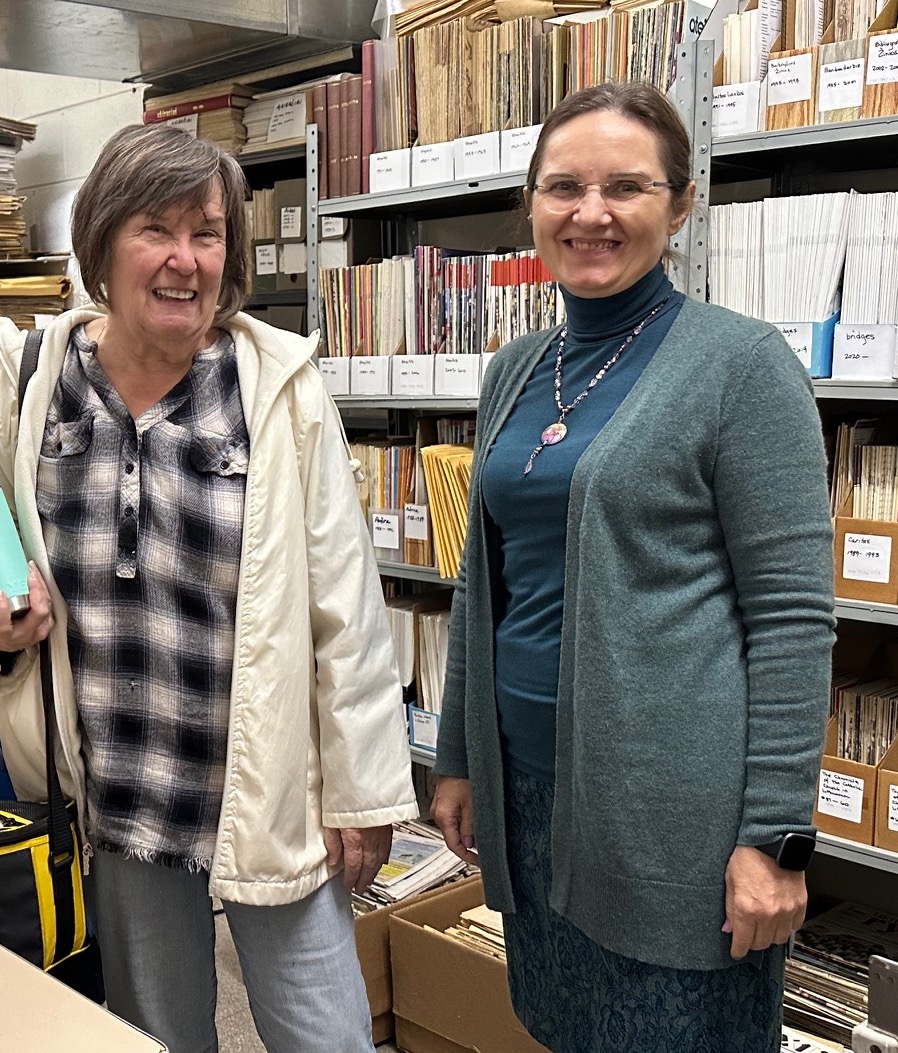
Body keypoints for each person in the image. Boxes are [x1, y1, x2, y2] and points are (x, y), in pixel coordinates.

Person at [431, 82, 835, 1053]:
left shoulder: (741, 366)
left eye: (626, 186)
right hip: (527, 789)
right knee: (561, 1023)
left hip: (670, 815)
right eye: (563, 187)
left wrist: (774, 839)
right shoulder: (514, 370)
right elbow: (481, 583)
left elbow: (790, 616)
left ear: (681, 203)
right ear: (530, 205)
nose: (591, 213)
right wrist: (456, 756)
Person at [0, 122, 418, 1053]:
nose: (186, 260)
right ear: (102, 240)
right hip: (121, 790)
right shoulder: (35, 379)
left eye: (209, 233)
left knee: (329, 1038)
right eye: (157, 228)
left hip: (270, 793)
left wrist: (363, 791)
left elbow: (345, 609)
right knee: (161, 1038)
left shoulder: (277, 387)